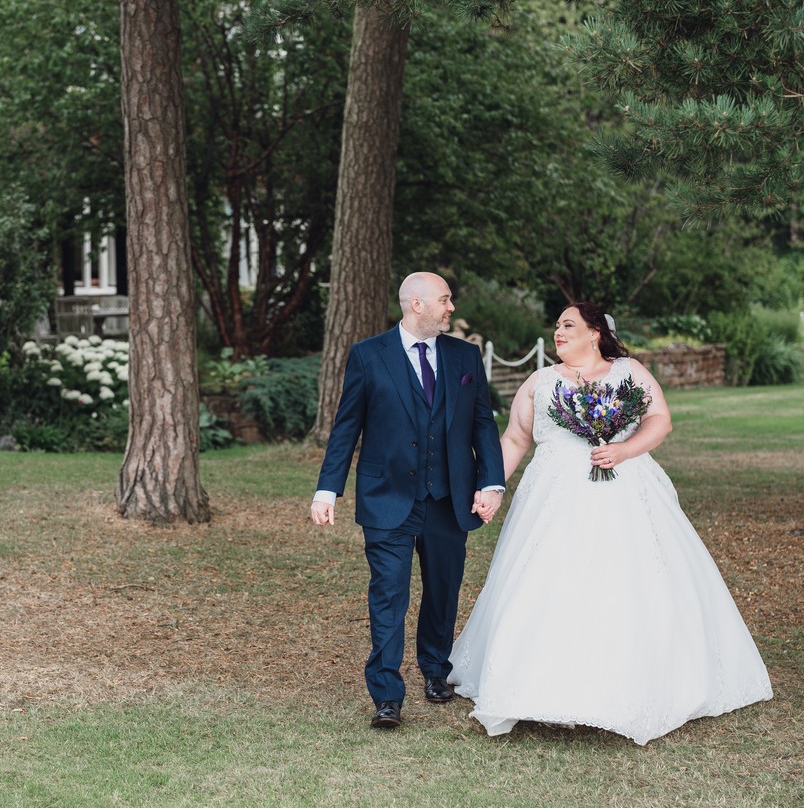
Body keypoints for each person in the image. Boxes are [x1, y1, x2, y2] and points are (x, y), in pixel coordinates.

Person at [447, 302, 773, 744]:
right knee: (545, 581)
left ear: (595, 332)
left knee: (626, 580)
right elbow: (516, 438)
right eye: (557, 326)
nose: (558, 333)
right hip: (552, 499)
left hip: (624, 489)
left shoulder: (629, 372)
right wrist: (491, 487)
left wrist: (624, 449)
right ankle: (535, 683)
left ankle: (627, 684)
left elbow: (660, 420)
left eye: (568, 325)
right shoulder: (540, 382)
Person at [312, 272, 506, 729]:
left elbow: (482, 423)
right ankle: (386, 692)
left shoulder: (464, 356)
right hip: (387, 498)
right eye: (445, 300)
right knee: (388, 595)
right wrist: (327, 488)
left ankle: (435, 670)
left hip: (449, 497)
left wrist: (492, 482)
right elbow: (346, 427)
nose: (451, 307)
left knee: (443, 589)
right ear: (416, 305)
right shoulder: (368, 355)